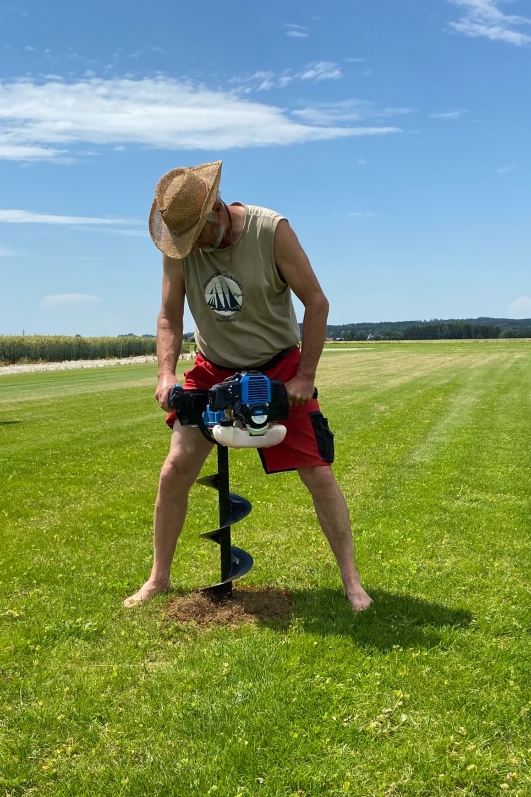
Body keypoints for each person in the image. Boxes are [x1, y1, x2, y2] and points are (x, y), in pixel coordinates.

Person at [124, 160, 372, 611]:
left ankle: (352, 582)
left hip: (277, 368)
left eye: (197, 237)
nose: (192, 248)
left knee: (318, 473)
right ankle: (158, 579)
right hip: (212, 368)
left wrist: (305, 377)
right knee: (174, 470)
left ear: (216, 210)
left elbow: (316, 302)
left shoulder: (271, 231)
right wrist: (165, 374)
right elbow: (169, 316)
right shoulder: (179, 246)